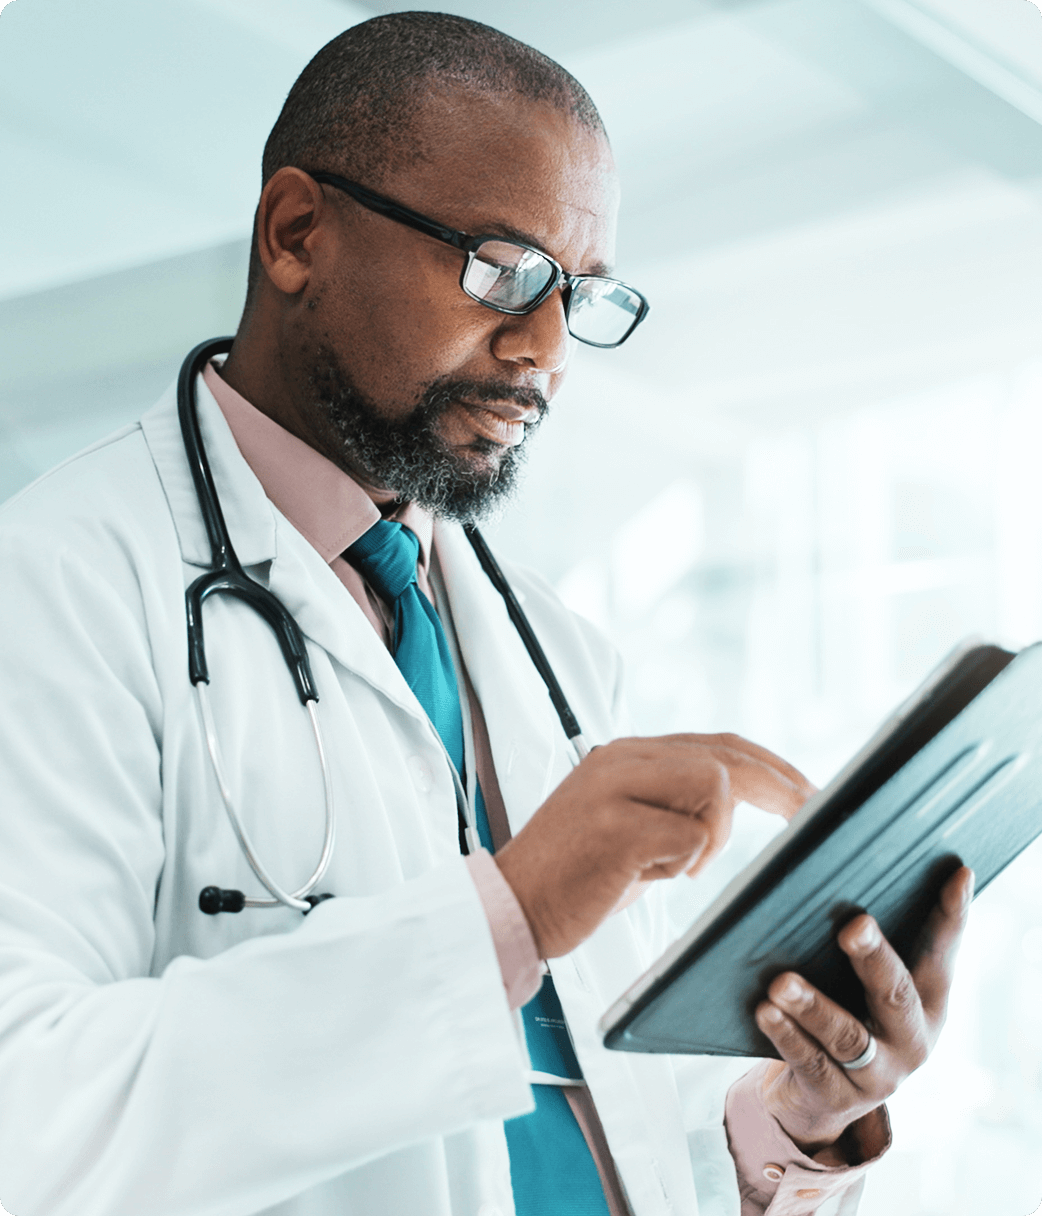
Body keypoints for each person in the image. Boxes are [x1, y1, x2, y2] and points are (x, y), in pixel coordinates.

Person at [0, 12, 972, 1216]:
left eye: (581, 294)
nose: (548, 348)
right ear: (298, 233)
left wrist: (790, 1118)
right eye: (502, 269)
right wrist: (507, 917)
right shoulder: (57, 585)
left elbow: (596, 1105)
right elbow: (31, 1114)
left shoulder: (556, 650)